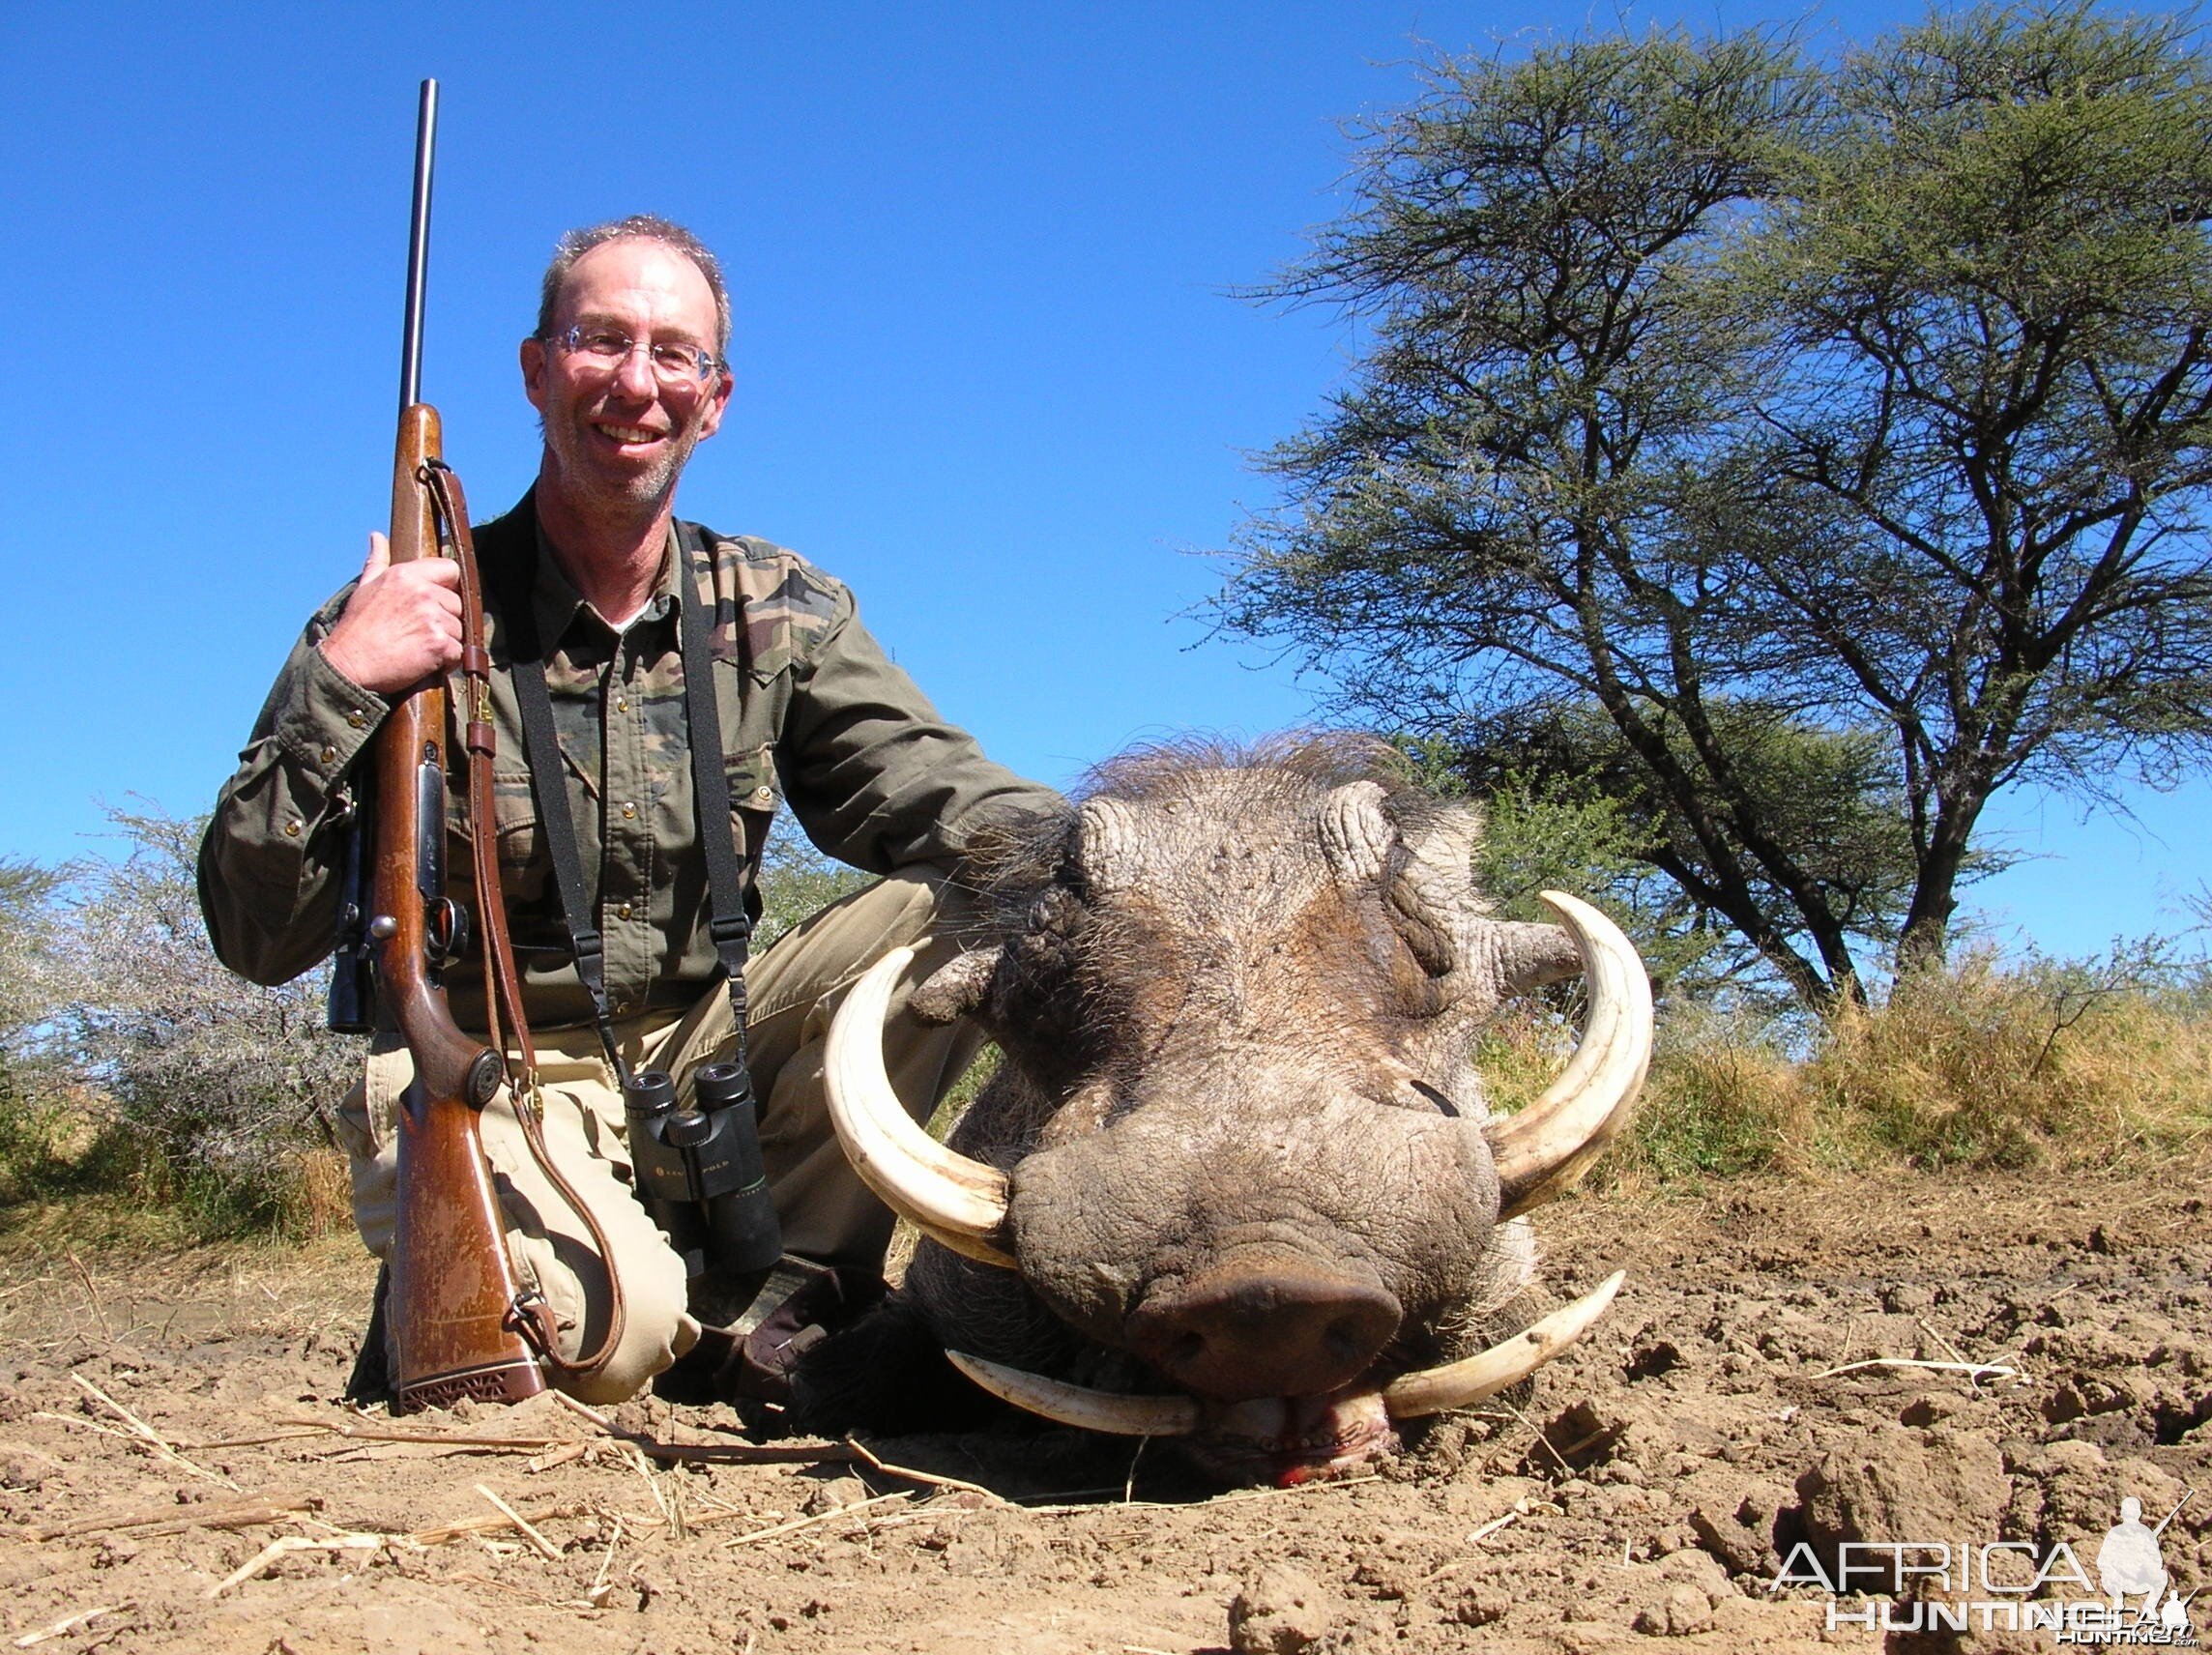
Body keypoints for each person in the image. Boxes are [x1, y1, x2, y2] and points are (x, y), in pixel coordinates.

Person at [198, 215, 1061, 1406]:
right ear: (537, 368)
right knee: (613, 1344)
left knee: (978, 893)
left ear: (715, 398)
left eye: (673, 353)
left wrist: (1123, 851)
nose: (635, 383)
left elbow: (933, 787)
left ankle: (791, 1297)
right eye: (600, 341)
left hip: (709, 1058)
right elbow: (256, 939)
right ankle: (637, 1299)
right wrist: (342, 682)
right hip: (490, 1070)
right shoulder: (397, 613)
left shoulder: (782, 603)